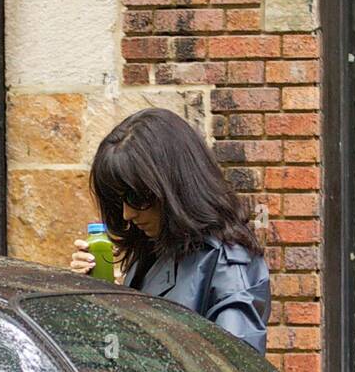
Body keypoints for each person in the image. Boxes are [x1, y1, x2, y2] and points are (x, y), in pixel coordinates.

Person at [70, 108, 270, 354]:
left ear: (175, 188)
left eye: (135, 197)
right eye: (118, 199)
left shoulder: (227, 267)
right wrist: (95, 293)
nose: (127, 214)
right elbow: (119, 356)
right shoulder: (155, 251)